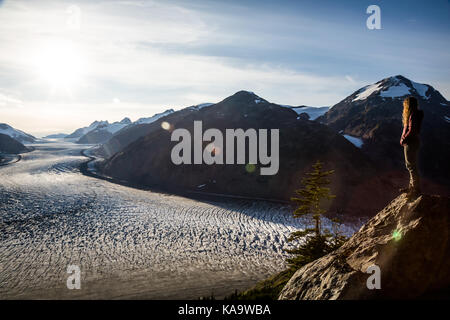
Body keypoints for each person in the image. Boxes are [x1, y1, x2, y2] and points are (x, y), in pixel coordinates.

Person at [399, 96, 424, 199]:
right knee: (411, 165)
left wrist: (404, 138)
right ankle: (412, 187)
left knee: (411, 166)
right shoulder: (416, 114)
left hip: (410, 142)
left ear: (408, 105)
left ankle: (415, 189)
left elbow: (412, 130)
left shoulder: (412, 115)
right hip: (414, 142)